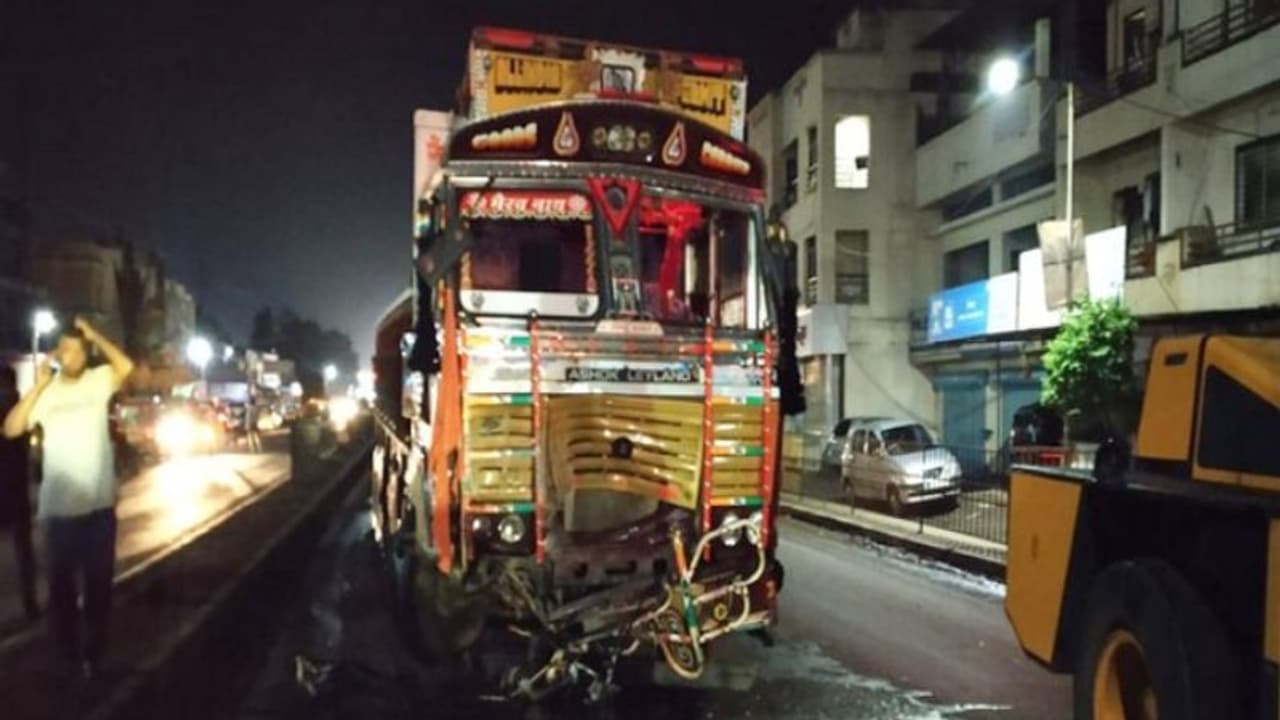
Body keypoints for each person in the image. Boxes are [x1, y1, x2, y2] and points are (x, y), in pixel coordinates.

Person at [2, 317, 134, 679]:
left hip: (97, 511)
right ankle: (68, 657)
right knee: (61, 593)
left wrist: (94, 334)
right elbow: (11, 427)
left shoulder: (97, 380)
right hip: (57, 512)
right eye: (62, 348)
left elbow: (126, 366)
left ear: (85, 353)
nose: (67, 354)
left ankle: (93, 655)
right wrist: (38, 386)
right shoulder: (48, 391)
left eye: (74, 348)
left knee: (97, 591)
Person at [0, 365, 38, 621]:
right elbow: (31, 446)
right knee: (24, 550)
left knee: (23, 550)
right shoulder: (22, 408)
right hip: (17, 486)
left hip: (8, 487)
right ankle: (30, 602)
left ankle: (30, 601)